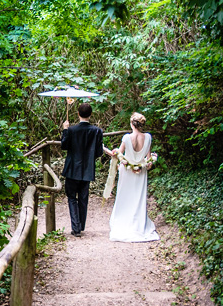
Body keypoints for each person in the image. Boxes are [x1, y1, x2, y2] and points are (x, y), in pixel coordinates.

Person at [108, 112, 159, 242]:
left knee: (124, 197)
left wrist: (112, 153)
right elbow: (149, 162)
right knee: (138, 197)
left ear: (132, 124)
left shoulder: (126, 138)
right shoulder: (147, 137)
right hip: (141, 172)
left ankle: (123, 221)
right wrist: (152, 159)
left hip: (127, 172)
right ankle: (137, 223)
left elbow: (119, 155)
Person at [61, 102, 104, 237]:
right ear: (91, 115)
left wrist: (65, 130)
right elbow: (99, 152)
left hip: (72, 169)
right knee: (83, 198)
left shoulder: (72, 130)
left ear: (78, 114)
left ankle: (76, 227)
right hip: (87, 169)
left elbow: (64, 146)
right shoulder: (97, 131)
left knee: (72, 197)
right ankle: (80, 225)